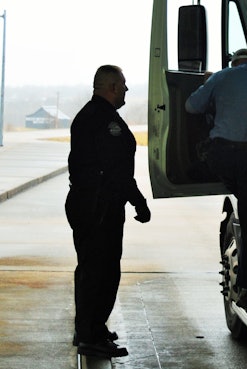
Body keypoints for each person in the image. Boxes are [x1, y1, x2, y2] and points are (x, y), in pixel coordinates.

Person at [185, 49, 247, 314]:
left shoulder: (221, 76)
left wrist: (209, 84)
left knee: (240, 193)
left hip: (222, 157)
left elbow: (191, 106)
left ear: (234, 63)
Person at [65, 65, 151, 357]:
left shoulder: (92, 115)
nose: (127, 90)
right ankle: (90, 337)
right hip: (99, 206)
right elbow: (116, 171)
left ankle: (92, 328)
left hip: (91, 202)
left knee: (93, 269)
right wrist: (139, 201)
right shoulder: (104, 121)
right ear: (112, 86)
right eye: (124, 85)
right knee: (99, 271)